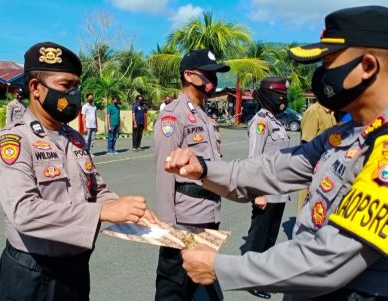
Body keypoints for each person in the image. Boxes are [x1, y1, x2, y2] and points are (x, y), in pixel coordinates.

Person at [165, 6, 388, 300]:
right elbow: (271, 169)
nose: (321, 76)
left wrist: (221, 267)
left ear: (368, 66)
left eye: (329, 63)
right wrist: (203, 169)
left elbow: (328, 262)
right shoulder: (343, 135)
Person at [0, 41, 157, 301]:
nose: (74, 94)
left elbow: (97, 189)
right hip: (34, 273)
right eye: (66, 86)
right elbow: (23, 212)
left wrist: (125, 208)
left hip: (75, 270)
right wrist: (103, 211)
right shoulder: (15, 141)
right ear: (35, 88)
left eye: (76, 86)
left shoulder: (74, 138)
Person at [154, 48, 229, 301]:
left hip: (209, 213)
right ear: (188, 75)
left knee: (203, 279)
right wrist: (167, 224)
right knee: (174, 286)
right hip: (183, 218)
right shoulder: (173, 114)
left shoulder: (206, 116)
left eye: (215, 75)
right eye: (208, 75)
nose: (213, 81)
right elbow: (164, 170)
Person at [243, 77, 291, 299]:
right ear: (268, 95)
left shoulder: (276, 120)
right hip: (265, 192)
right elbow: (254, 160)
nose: (283, 99)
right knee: (258, 238)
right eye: (279, 94)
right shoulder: (261, 121)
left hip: (279, 192)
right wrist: (258, 194)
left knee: (270, 238)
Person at [297, 101, 338, 213]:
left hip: (326, 168)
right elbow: (307, 145)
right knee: (306, 210)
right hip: (312, 168)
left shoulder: (332, 112)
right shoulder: (314, 111)